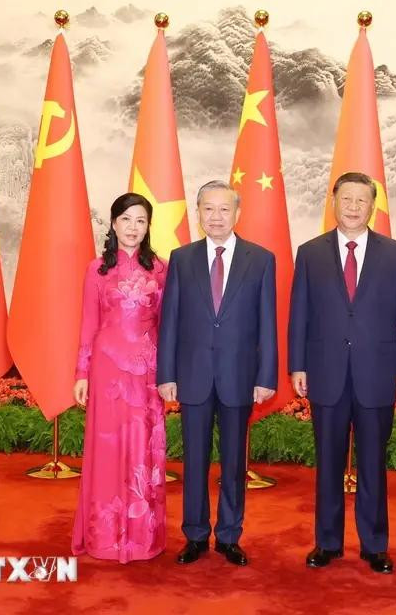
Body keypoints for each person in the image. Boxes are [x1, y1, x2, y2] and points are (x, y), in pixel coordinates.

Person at [288, 171, 396, 574]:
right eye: (347, 199)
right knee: (327, 462)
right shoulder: (309, 253)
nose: (354, 207)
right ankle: (327, 542)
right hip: (325, 372)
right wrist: (297, 364)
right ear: (334, 202)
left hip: (376, 373)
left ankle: (375, 545)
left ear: (373, 207)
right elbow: (299, 315)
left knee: (373, 464)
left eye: (362, 200)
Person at [157, 180, 277, 567]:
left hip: (238, 376)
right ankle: (194, 534)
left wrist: (266, 376)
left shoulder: (261, 259)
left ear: (237, 213)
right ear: (198, 213)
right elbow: (170, 321)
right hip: (193, 376)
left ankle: (229, 535)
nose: (216, 217)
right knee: (194, 461)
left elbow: (267, 324)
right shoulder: (182, 258)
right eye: (208, 209)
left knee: (233, 463)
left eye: (224, 209)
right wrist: (166, 373)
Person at [71, 192, 167, 563]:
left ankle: (142, 538)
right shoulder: (96, 270)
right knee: (106, 450)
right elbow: (88, 324)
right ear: (113, 223)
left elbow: (166, 327)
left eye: (140, 220)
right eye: (126, 219)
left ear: (148, 226)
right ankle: (105, 537)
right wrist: (81, 372)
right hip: (106, 371)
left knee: (143, 448)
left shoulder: (160, 269)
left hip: (147, 373)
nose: (133, 227)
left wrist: (168, 373)